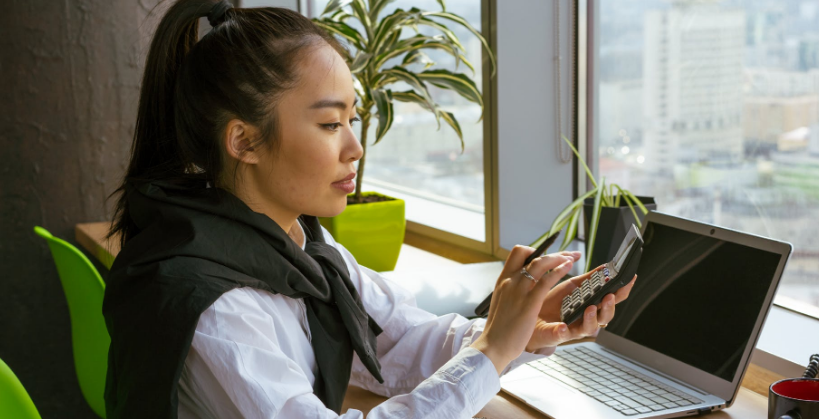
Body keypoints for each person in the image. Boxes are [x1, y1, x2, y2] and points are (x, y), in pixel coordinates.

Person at [102, 1, 636, 418]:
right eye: (331, 124)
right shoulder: (213, 307)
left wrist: (517, 329)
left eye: (352, 120)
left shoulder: (296, 242)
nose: (355, 147)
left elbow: (395, 338)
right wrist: (491, 351)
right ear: (244, 141)